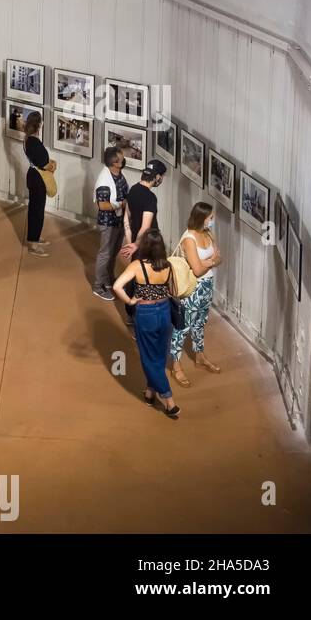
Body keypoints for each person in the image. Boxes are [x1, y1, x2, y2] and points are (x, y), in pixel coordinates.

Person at [113, 230, 180, 419]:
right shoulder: (168, 266)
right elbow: (173, 290)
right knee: (159, 354)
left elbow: (118, 286)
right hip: (165, 312)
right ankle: (150, 394)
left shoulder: (137, 266)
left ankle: (169, 401)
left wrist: (131, 301)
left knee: (149, 358)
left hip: (146, 313)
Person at [169, 202, 223, 387]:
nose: (212, 221)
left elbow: (219, 257)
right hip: (193, 287)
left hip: (207, 286)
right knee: (182, 327)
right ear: (202, 218)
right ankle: (176, 365)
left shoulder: (208, 234)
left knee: (200, 323)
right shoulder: (189, 239)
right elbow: (198, 270)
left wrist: (208, 262)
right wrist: (211, 261)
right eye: (211, 218)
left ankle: (200, 355)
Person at [119, 160, 167, 322]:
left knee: (134, 276)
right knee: (149, 279)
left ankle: (130, 313)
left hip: (135, 244)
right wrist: (137, 245)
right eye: (162, 177)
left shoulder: (133, 190)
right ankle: (143, 315)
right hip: (149, 245)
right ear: (157, 177)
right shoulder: (150, 198)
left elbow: (127, 221)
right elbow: (145, 227)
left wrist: (130, 243)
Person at [92, 146, 130, 300]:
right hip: (108, 223)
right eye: (121, 158)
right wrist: (120, 205)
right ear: (115, 162)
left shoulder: (119, 174)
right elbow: (103, 205)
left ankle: (108, 279)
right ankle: (98, 286)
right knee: (105, 253)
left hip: (119, 220)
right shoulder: (104, 181)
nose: (124, 159)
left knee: (113, 252)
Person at [22, 111, 55, 257]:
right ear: (38, 125)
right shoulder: (34, 142)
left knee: (34, 209)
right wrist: (53, 165)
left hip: (33, 176)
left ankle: (34, 237)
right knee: (38, 211)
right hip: (38, 179)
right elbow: (45, 164)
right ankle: (33, 244)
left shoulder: (27, 140)